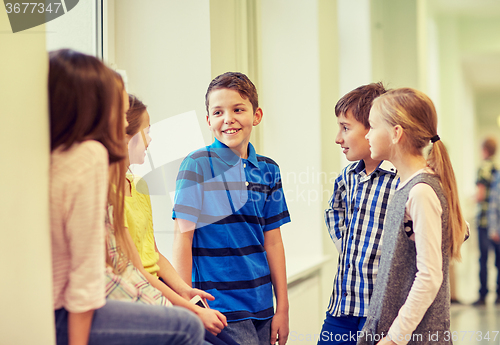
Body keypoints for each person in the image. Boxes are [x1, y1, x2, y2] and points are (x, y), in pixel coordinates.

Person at [49, 49, 205, 345]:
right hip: (66, 312)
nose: (123, 125)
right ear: (91, 107)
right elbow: (87, 276)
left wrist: (178, 295)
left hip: (55, 305)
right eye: (118, 114)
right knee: (188, 327)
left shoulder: (54, 155)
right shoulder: (91, 157)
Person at [172, 72, 291, 345]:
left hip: (262, 306)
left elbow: (273, 242)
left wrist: (282, 306)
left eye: (238, 109)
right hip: (218, 307)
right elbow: (182, 237)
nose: (228, 118)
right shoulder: (197, 165)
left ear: (256, 115)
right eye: (218, 112)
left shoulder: (269, 169)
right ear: (208, 120)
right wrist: (189, 304)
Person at [117, 94, 239, 345]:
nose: (150, 139)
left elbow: (153, 253)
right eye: (146, 131)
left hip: (161, 284)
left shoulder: (138, 185)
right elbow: (137, 269)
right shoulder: (110, 194)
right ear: (126, 136)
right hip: (141, 290)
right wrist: (191, 309)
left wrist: (185, 291)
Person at [358, 88, 468, 345]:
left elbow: (430, 276)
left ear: (396, 133)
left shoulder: (421, 191)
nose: (367, 134)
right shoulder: (407, 184)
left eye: (373, 127)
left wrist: (395, 338)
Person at [317, 83, 399, 345]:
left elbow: (452, 226)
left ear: (373, 128)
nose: (338, 138)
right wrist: (350, 245)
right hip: (341, 308)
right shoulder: (347, 177)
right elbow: (334, 209)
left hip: (381, 313)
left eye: (345, 127)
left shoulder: (402, 179)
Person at [475, 137, 499, 305]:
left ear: (484, 150)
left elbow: (480, 195)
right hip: (496, 222)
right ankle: (498, 294)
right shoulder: (496, 170)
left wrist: (472, 198)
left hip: (484, 220)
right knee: (498, 259)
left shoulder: (482, 168)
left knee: (483, 258)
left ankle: (483, 294)